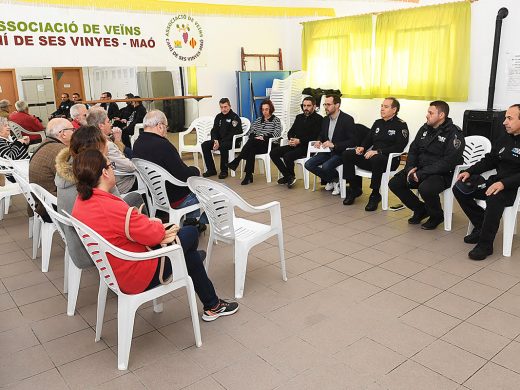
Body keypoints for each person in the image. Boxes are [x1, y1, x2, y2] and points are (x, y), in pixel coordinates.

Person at [71, 149, 238, 321]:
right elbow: (154, 236)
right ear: (105, 172)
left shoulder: (81, 202)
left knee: (189, 253)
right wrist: (154, 223)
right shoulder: (110, 207)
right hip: (138, 272)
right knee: (191, 233)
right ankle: (211, 302)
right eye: (111, 165)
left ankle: (211, 302)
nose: (113, 168)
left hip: (117, 269)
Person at [56, 126, 144, 271]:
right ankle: (146, 247)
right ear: (98, 148)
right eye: (105, 140)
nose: (108, 142)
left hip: (77, 242)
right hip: (94, 249)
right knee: (135, 199)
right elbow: (120, 211)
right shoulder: (92, 177)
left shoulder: (68, 170)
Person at [453, 104, 520, 260]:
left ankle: (485, 245)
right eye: (505, 118)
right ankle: (481, 225)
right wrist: (469, 171)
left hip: (513, 187)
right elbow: (489, 160)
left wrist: (504, 184)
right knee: (461, 188)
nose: (504, 122)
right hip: (497, 181)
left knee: (494, 198)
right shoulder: (504, 137)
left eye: (509, 118)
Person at [389, 101, 464, 230]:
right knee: (395, 183)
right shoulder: (425, 128)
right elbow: (413, 150)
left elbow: (448, 162)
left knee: (426, 188)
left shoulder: (454, 133)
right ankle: (421, 209)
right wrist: (410, 169)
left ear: (441, 115)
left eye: (430, 113)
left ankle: (437, 215)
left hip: (442, 174)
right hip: (420, 169)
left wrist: (421, 173)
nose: (427, 115)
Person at [133, 110, 207, 231]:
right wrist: (196, 170)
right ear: (160, 126)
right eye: (166, 127)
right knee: (211, 188)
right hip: (176, 198)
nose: (166, 131)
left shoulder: (137, 144)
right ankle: (192, 223)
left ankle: (191, 222)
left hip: (157, 196)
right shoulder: (163, 145)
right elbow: (183, 176)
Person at [342, 97, 408, 210]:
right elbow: (368, 139)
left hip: (389, 161)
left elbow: (399, 146)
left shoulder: (400, 125)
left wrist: (378, 151)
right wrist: (362, 147)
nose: (382, 109)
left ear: (394, 110)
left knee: (377, 158)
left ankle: (375, 194)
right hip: (373, 158)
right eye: (382, 106)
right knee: (347, 154)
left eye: (386, 107)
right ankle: (354, 188)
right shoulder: (378, 123)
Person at [304, 94, 356, 195]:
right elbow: (322, 134)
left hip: (340, 152)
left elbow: (353, 141)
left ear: (337, 105)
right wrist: (319, 140)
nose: (325, 107)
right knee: (308, 164)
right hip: (327, 151)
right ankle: (335, 180)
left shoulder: (347, 119)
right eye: (324, 104)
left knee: (326, 166)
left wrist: (334, 145)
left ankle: (335, 181)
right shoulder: (325, 119)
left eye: (328, 104)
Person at [270, 96, 322, 188]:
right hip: (295, 145)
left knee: (287, 156)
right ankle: (288, 176)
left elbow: (315, 137)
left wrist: (300, 141)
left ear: (314, 106)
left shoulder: (319, 119)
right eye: (304, 105)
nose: (305, 108)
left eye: (308, 106)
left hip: (307, 147)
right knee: (273, 152)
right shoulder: (299, 117)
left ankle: (290, 176)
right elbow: (291, 132)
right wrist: (291, 139)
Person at [227, 98, 282, 185]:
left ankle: (237, 160)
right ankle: (248, 175)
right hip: (256, 144)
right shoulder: (258, 120)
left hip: (269, 144)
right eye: (263, 109)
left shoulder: (276, 120)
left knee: (252, 143)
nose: (264, 111)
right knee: (251, 149)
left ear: (271, 109)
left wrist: (263, 137)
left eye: (266, 109)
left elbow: (277, 134)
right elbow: (250, 132)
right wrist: (257, 137)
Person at [28, 118, 72, 221]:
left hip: (41, 202)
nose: (75, 133)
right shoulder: (62, 152)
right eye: (73, 130)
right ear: (63, 134)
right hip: (51, 208)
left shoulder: (44, 144)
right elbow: (72, 181)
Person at [86, 107, 136, 194]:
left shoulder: (89, 141)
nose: (111, 125)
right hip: (122, 185)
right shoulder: (107, 145)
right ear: (101, 126)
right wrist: (118, 141)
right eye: (108, 122)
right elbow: (130, 167)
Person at [201, 98, 242, 179]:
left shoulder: (234, 117)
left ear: (230, 106)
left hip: (233, 142)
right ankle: (211, 170)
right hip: (219, 141)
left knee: (223, 145)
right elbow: (214, 130)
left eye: (225, 107)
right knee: (205, 145)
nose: (224, 109)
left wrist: (220, 142)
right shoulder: (218, 117)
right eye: (221, 107)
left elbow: (233, 134)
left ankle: (224, 171)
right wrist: (215, 140)